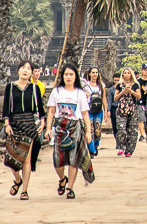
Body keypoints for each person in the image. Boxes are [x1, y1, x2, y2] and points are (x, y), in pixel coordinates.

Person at [44, 62, 95, 199]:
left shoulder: (80, 93)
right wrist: (48, 128)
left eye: (71, 74)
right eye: (66, 74)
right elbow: (51, 111)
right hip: (60, 127)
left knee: (73, 159)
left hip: (75, 127)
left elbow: (85, 114)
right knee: (57, 160)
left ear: (75, 76)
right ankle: (62, 179)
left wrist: (88, 132)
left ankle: (70, 187)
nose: (68, 77)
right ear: (62, 76)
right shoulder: (57, 91)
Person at [3, 61, 44, 200]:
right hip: (14, 123)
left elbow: (40, 107)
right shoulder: (10, 87)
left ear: (31, 73)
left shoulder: (34, 88)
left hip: (28, 123)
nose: (25, 70)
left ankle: (25, 190)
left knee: (26, 159)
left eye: (28, 69)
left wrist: (43, 122)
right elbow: (6, 107)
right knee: (11, 158)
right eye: (23, 68)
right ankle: (18, 179)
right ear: (18, 71)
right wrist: (7, 123)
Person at [114, 67, 141, 156]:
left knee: (132, 131)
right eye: (125, 73)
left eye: (128, 73)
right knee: (121, 129)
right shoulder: (119, 85)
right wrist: (123, 92)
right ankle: (121, 146)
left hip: (132, 109)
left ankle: (129, 150)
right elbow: (115, 97)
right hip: (121, 109)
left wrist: (131, 91)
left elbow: (139, 96)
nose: (126, 74)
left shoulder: (135, 85)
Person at [82, 67, 105, 156]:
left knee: (97, 130)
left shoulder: (101, 85)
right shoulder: (86, 85)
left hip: (99, 110)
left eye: (96, 72)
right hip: (89, 109)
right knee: (90, 129)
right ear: (89, 74)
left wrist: (106, 110)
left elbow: (104, 99)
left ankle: (95, 145)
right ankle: (91, 149)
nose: (95, 74)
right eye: (93, 72)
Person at [108, 71, 121, 148]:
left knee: (121, 125)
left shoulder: (122, 88)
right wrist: (108, 110)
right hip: (114, 107)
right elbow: (109, 100)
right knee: (114, 125)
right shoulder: (111, 89)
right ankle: (117, 141)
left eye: (118, 80)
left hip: (121, 107)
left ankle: (121, 141)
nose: (116, 82)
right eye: (115, 80)